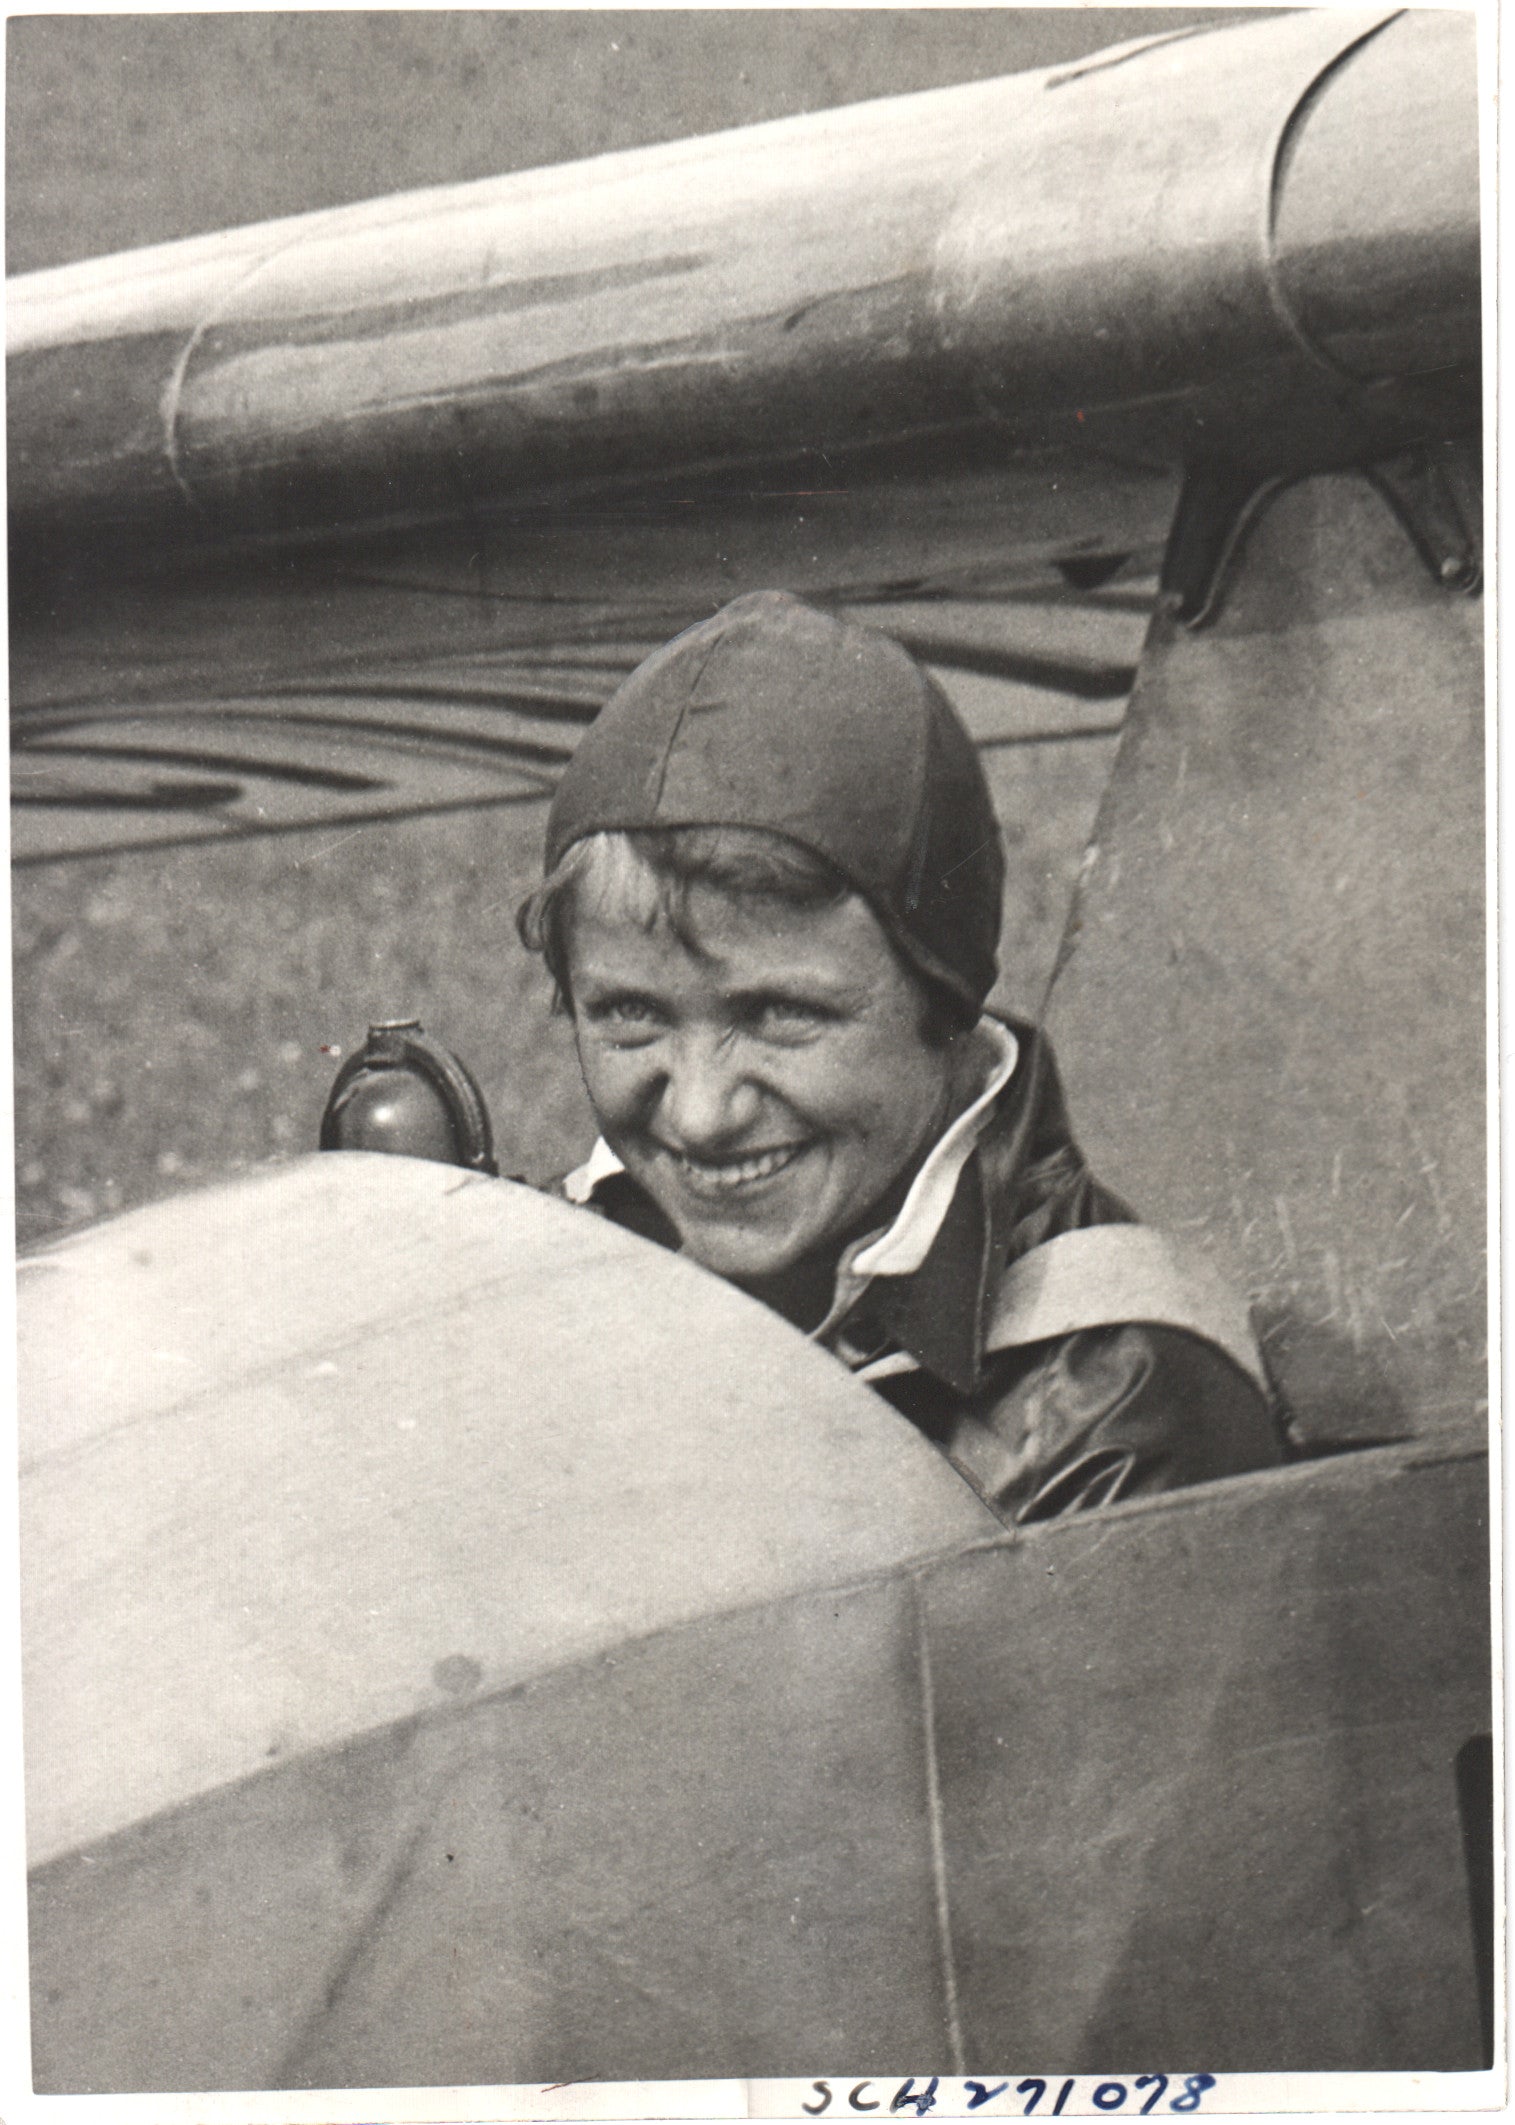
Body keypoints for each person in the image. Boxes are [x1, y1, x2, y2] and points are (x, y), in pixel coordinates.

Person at [517, 590, 1284, 1523]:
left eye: (779, 1014)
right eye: (631, 1014)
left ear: (943, 997)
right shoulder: (544, 1263)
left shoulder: (1111, 1404)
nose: (699, 1112)